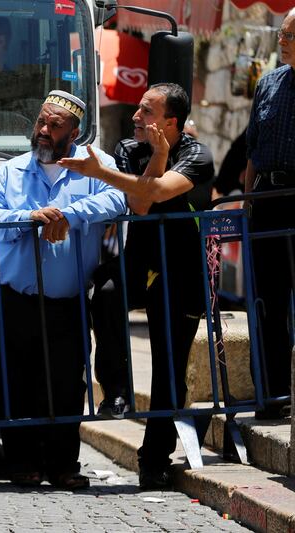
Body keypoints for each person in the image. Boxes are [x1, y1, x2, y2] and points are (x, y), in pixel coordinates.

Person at [59, 82, 215, 489]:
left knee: (168, 369)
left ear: (171, 122)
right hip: (140, 259)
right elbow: (140, 205)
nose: (135, 117)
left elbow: (154, 194)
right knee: (105, 290)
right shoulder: (130, 148)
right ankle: (116, 388)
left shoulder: (198, 155)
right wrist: (152, 157)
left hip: (182, 270)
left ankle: (154, 459)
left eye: (146, 112)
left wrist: (158, 157)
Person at [0, 90, 126, 489]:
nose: (44, 131)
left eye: (55, 126)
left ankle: (64, 464)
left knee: (66, 382)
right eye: (41, 123)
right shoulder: (9, 172)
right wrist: (31, 217)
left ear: (75, 132)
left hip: (67, 300)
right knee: (15, 381)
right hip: (12, 296)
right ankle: (22, 463)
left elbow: (118, 198)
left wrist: (70, 214)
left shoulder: (97, 167)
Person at [242, 8, 295, 420]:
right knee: (267, 304)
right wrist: (247, 203)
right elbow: (252, 154)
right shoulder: (270, 82)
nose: (281, 41)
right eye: (281, 33)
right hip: (269, 199)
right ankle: (274, 395)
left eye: (289, 35)